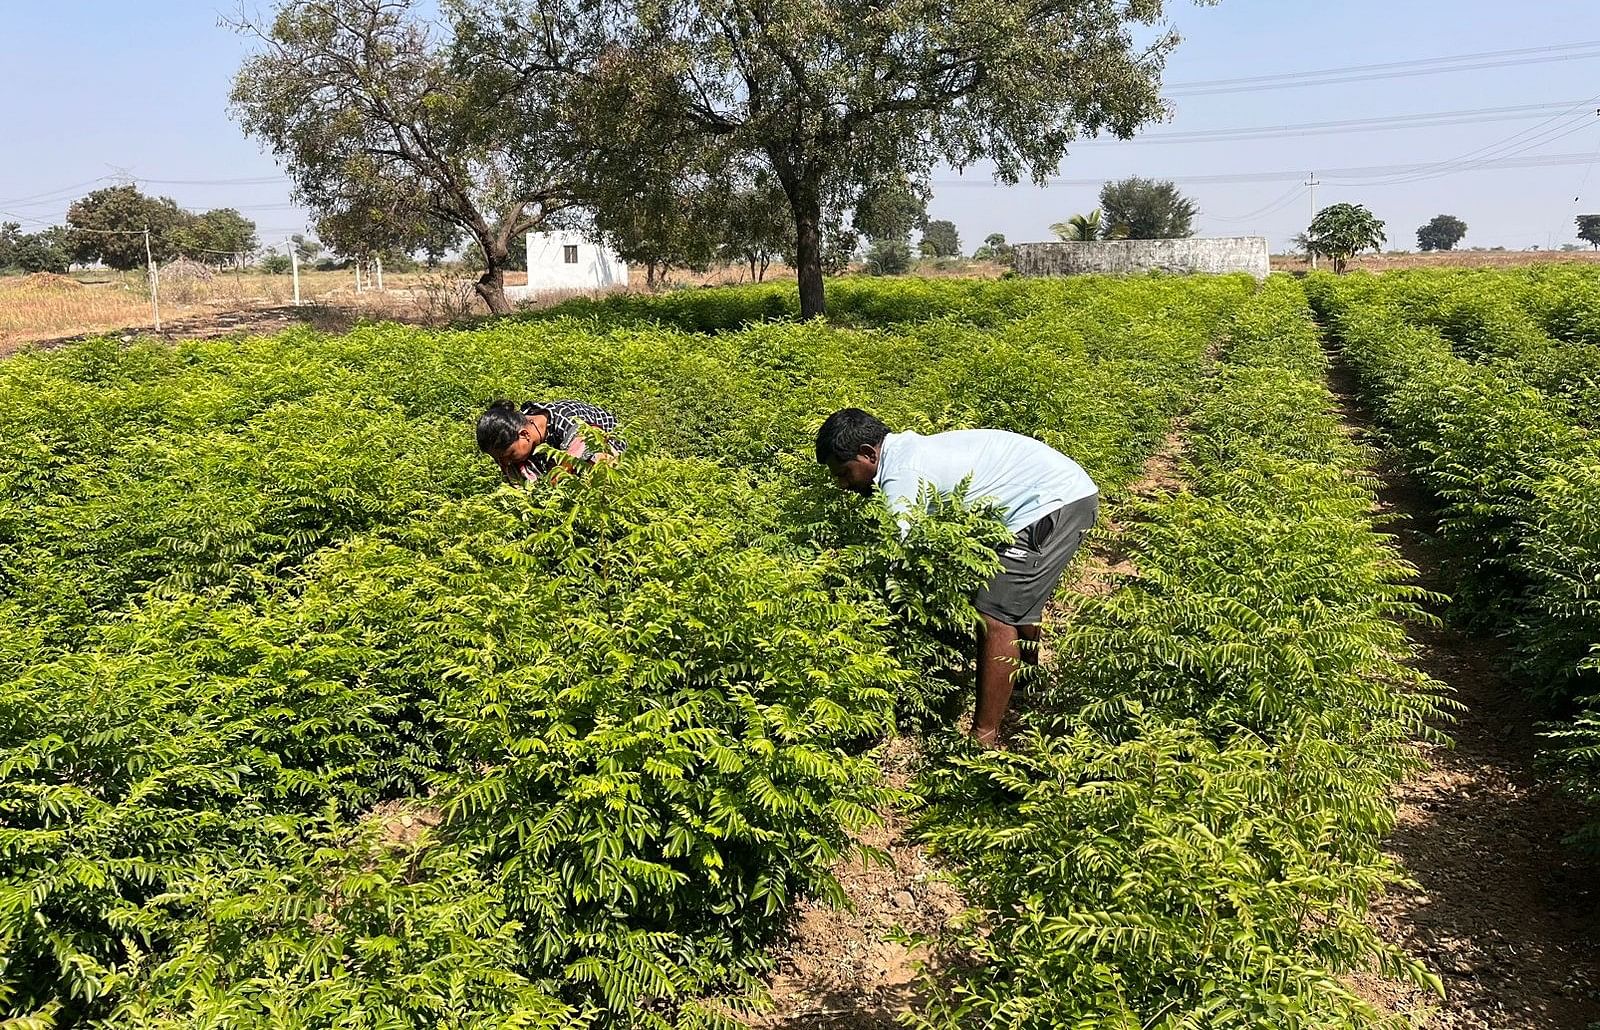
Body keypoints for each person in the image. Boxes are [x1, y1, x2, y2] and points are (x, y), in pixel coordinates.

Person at [815, 408, 1099, 746]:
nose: (842, 485)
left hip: (1052, 502)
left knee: (994, 614)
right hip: (1060, 494)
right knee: (1015, 596)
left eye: (845, 473)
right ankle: (1028, 679)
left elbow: (895, 556)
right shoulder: (905, 452)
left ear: (868, 453)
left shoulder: (900, 474)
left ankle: (984, 738)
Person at [476, 399, 625, 484]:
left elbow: (591, 443)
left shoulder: (566, 420)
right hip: (565, 451)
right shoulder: (522, 427)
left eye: (510, 454)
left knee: (596, 460)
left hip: (608, 443)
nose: (505, 461)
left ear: (524, 434)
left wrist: (558, 478)